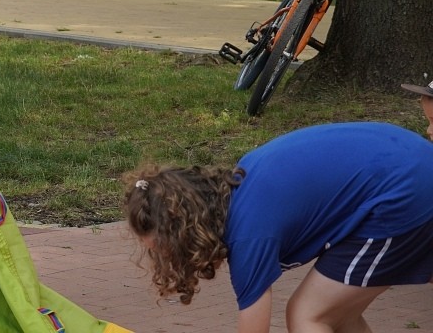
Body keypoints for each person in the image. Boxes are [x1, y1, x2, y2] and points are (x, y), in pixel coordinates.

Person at [123, 122, 433, 333]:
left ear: (184, 233)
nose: (162, 259)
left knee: (308, 315)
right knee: (339, 316)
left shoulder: (249, 236)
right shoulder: (239, 187)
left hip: (403, 191)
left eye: (161, 249)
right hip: (408, 162)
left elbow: (255, 328)